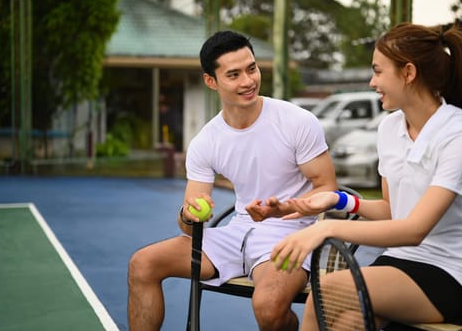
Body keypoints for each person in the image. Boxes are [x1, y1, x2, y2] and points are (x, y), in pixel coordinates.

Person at [265, 23, 462, 330]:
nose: (372, 82)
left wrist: (325, 229)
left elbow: (414, 230)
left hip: (451, 273)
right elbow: (392, 211)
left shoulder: (460, 136)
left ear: (408, 73)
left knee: (326, 292)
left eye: (378, 71)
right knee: (349, 320)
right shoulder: (389, 128)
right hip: (400, 261)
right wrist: (339, 200)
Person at [127, 30, 338, 331]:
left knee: (268, 309)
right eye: (234, 74)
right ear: (211, 81)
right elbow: (190, 224)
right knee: (142, 263)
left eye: (251, 69)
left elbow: (327, 187)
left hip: (290, 235)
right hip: (234, 235)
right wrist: (188, 214)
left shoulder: (297, 122)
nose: (248, 81)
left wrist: (286, 208)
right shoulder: (206, 142)